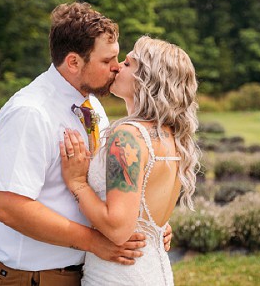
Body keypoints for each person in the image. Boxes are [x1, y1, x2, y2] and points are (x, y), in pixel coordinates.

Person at [0, 2, 171, 286]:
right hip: (28, 278)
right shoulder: (30, 112)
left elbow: (106, 185)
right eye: (107, 61)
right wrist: (93, 242)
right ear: (73, 62)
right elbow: (8, 207)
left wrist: (148, 223)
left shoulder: (92, 105)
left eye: (117, 58)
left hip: (82, 273)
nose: (117, 68)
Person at [60, 35, 200, 285]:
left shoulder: (128, 136)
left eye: (127, 63)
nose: (116, 67)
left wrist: (77, 182)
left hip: (119, 273)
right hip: (154, 271)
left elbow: (117, 229)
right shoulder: (171, 136)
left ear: (146, 79)